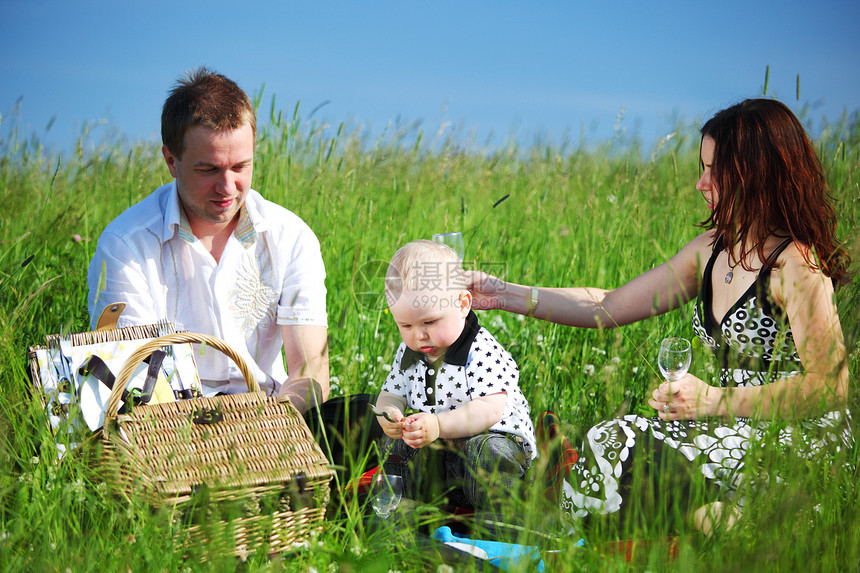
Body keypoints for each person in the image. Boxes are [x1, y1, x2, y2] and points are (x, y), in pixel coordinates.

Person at [465, 98, 853, 529]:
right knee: (613, 443)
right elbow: (607, 306)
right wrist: (504, 294)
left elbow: (831, 386)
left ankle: (716, 517)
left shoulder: (795, 263)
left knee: (614, 441)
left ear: (754, 173)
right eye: (701, 169)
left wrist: (712, 400)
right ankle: (711, 516)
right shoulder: (711, 250)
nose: (701, 184)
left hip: (799, 439)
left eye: (713, 171)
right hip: (730, 429)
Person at [87, 68, 380, 472]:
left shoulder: (291, 237)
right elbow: (134, 383)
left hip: (273, 421)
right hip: (173, 435)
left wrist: (260, 430)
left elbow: (310, 373)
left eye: (240, 167)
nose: (228, 188)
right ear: (171, 160)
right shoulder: (126, 244)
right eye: (209, 170)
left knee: (369, 418)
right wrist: (210, 438)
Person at [374, 240, 537, 510]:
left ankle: (503, 525)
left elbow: (489, 410)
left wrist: (438, 425)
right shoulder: (410, 351)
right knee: (395, 444)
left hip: (495, 452)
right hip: (444, 455)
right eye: (405, 325)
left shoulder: (481, 350)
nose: (419, 335)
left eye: (430, 322)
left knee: (486, 452)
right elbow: (392, 392)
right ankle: (406, 512)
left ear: (462, 305)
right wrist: (389, 413)